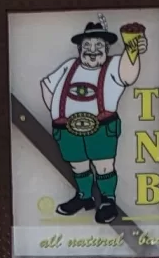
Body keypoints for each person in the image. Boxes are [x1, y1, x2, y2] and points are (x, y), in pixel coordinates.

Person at [41, 18, 144, 225]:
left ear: (106, 48)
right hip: (67, 129)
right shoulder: (69, 66)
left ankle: (107, 201)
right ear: (79, 49)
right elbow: (47, 85)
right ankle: (84, 197)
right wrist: (57, 112)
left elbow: (128, 73)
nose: (92, 50)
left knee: (103, 165)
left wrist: (133, 51)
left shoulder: (113, 66)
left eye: (98, 46)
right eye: (87, 46)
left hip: (101, 127)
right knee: (78, 165)